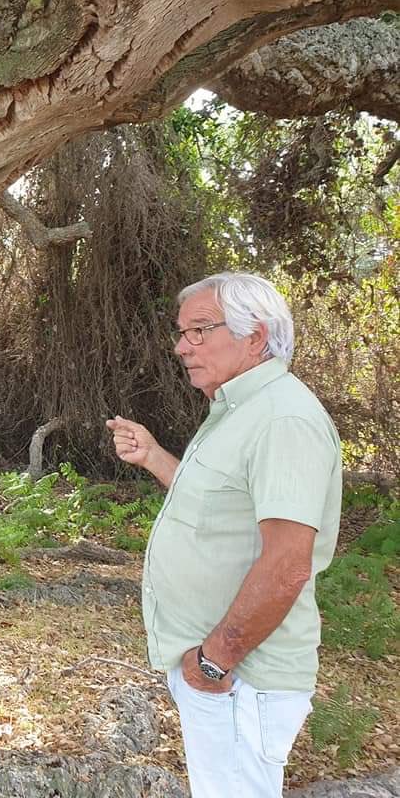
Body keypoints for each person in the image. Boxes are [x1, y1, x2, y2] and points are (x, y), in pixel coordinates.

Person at [106, 272, 342, 798]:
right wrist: (152, 456)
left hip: (239, 677)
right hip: (223, 673)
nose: (181, 346)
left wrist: (213, 661)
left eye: (199, 331)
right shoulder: (238, 410)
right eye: (182, 332)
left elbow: (288, 562)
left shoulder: (283, 419)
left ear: (254, 336)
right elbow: (218, 507)